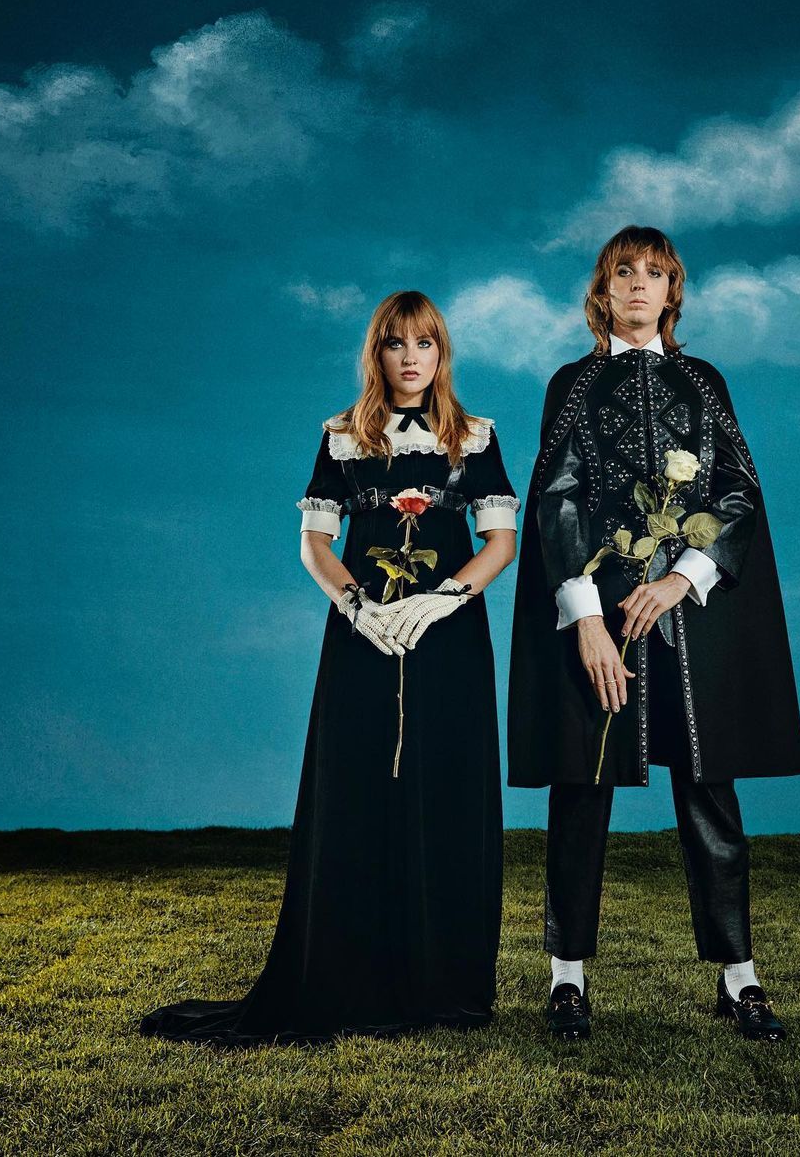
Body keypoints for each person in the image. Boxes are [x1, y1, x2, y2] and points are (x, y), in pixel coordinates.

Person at [139, 290, 520, 1045]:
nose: (410, 357)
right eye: (395, 343)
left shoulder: (474, 437)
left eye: (425, 343)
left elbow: (501, 541)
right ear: (376, 353)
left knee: (446, 789)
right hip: (360, 638)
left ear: (442, 354)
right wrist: (356, 606)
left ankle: (445, 986)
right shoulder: (342, 436)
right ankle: (348, 975)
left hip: (449, 641)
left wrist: (444, 597)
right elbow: (315, 543)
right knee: (356, 789)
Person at [507, 226, 800, 1043]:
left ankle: (739, 979)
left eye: (654, 273)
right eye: (623, 272)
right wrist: (587, 621)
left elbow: (740, 492)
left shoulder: (704, 382)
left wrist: (682, 580)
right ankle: (566, 979)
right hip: (600, 616)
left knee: (711, 794)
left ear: (673, 291)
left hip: (689, 623)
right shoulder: (572, 383)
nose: (638, 284)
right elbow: (557, 500)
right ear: (602, 290)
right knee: (582, 787)